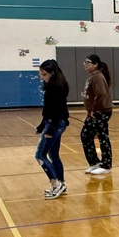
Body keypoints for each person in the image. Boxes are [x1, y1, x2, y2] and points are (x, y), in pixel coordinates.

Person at [36, 59, 70, 199]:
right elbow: (48, 110)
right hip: (54, 123)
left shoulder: (55, 88)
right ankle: (61, 183)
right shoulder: (52, 86)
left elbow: (56, 111)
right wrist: (42, 124)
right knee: (53, 154)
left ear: (52, 73)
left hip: (55, 125)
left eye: (43, 74)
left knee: (40, 155)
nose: (41, 76)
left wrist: (49, 130)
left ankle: (56, 184)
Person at [81, 54, 114, 175]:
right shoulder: (92, 76)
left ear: (95, 65)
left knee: (102, 137)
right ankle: (94, 162)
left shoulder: (98, 77)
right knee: (85, 135)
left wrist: (94, 109)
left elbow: (101, 94)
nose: (85, 64)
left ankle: (106, 165)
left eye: (88, 62)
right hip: (94, 112)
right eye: (85, 62)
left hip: (101, 111)